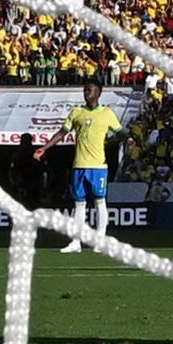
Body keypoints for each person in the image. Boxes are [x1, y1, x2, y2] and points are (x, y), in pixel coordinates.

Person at [66, 84, 122, 235]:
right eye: (84, 90)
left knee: (100, 201)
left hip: (98, 166)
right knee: (79, 204)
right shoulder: (77, 112)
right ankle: (76, 242)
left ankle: (100, 238)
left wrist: (125, 140)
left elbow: (120, 132)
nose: (86, 93)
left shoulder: (107, 113)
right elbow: (62, 132)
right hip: (79, 165)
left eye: (89, 90)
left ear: (98, 93)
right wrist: (44, 148)